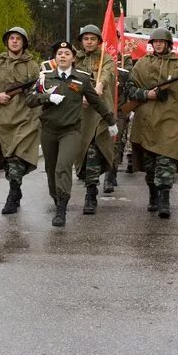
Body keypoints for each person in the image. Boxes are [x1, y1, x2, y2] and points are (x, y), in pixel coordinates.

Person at [27, 41, 117, 227]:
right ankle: (56, 198)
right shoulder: (45, 77)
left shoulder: (81, 78)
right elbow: (30, 100)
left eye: (67, 53)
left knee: (63, 167)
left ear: (73, 58)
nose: (62, 56)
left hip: (71, 131)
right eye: (59, 53)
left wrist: (111, 120)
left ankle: (62, 207)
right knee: (51, 170)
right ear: (55, 57)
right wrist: (47, 97)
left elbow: (96, 102)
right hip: (49, 131)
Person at [126, 28, 178, 218]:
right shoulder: (142, 63)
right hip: (147, 120)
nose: (158, 44)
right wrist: (145, 94)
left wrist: (168, 93)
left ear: (168, 44)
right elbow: (130, 88)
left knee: (166, 162)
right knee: (150, 166)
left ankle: (165, 200)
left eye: (161, 41)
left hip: (170, 120)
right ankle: (153, 196)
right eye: (155, 42)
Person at [0, 26, 41, 215]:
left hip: (26, 119)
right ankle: (16, 189)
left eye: (18, 39)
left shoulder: (32, 66)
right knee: (7, 160)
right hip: (2, 120)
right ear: (7, 42)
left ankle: (12, 195)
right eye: (11, 38)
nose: (14, 41)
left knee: (17, 158)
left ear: (24, 43)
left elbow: (36, 92)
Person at [75, 24, 117, 214]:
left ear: (99, 41)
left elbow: (107, 74)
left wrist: (99, 85)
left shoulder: (105, 59)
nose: (89, 42)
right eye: (86, 39)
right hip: (78, 114)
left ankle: (91, 195)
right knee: (80, 154)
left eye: (93, 39)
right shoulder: (75, 59)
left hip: (99, 113)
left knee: (93, 150)